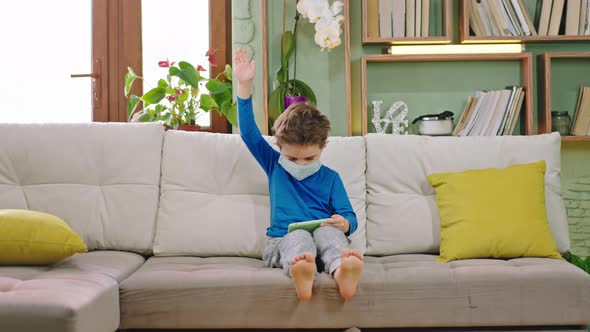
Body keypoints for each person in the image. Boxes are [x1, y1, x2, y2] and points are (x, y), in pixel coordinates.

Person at [233, 48, 363, 301]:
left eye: (310, 158)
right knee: (299, 236)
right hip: (281, 242)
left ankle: (342, 272)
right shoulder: (274, 165)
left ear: (323, 148)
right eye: (293, 158)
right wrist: (244, 83)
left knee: (329, 234)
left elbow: (349, 216)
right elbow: (248, 132)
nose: (301, 164)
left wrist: (344, 223)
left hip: (324, 241)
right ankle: (301, 271)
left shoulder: (331, 178)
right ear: (279, 147)